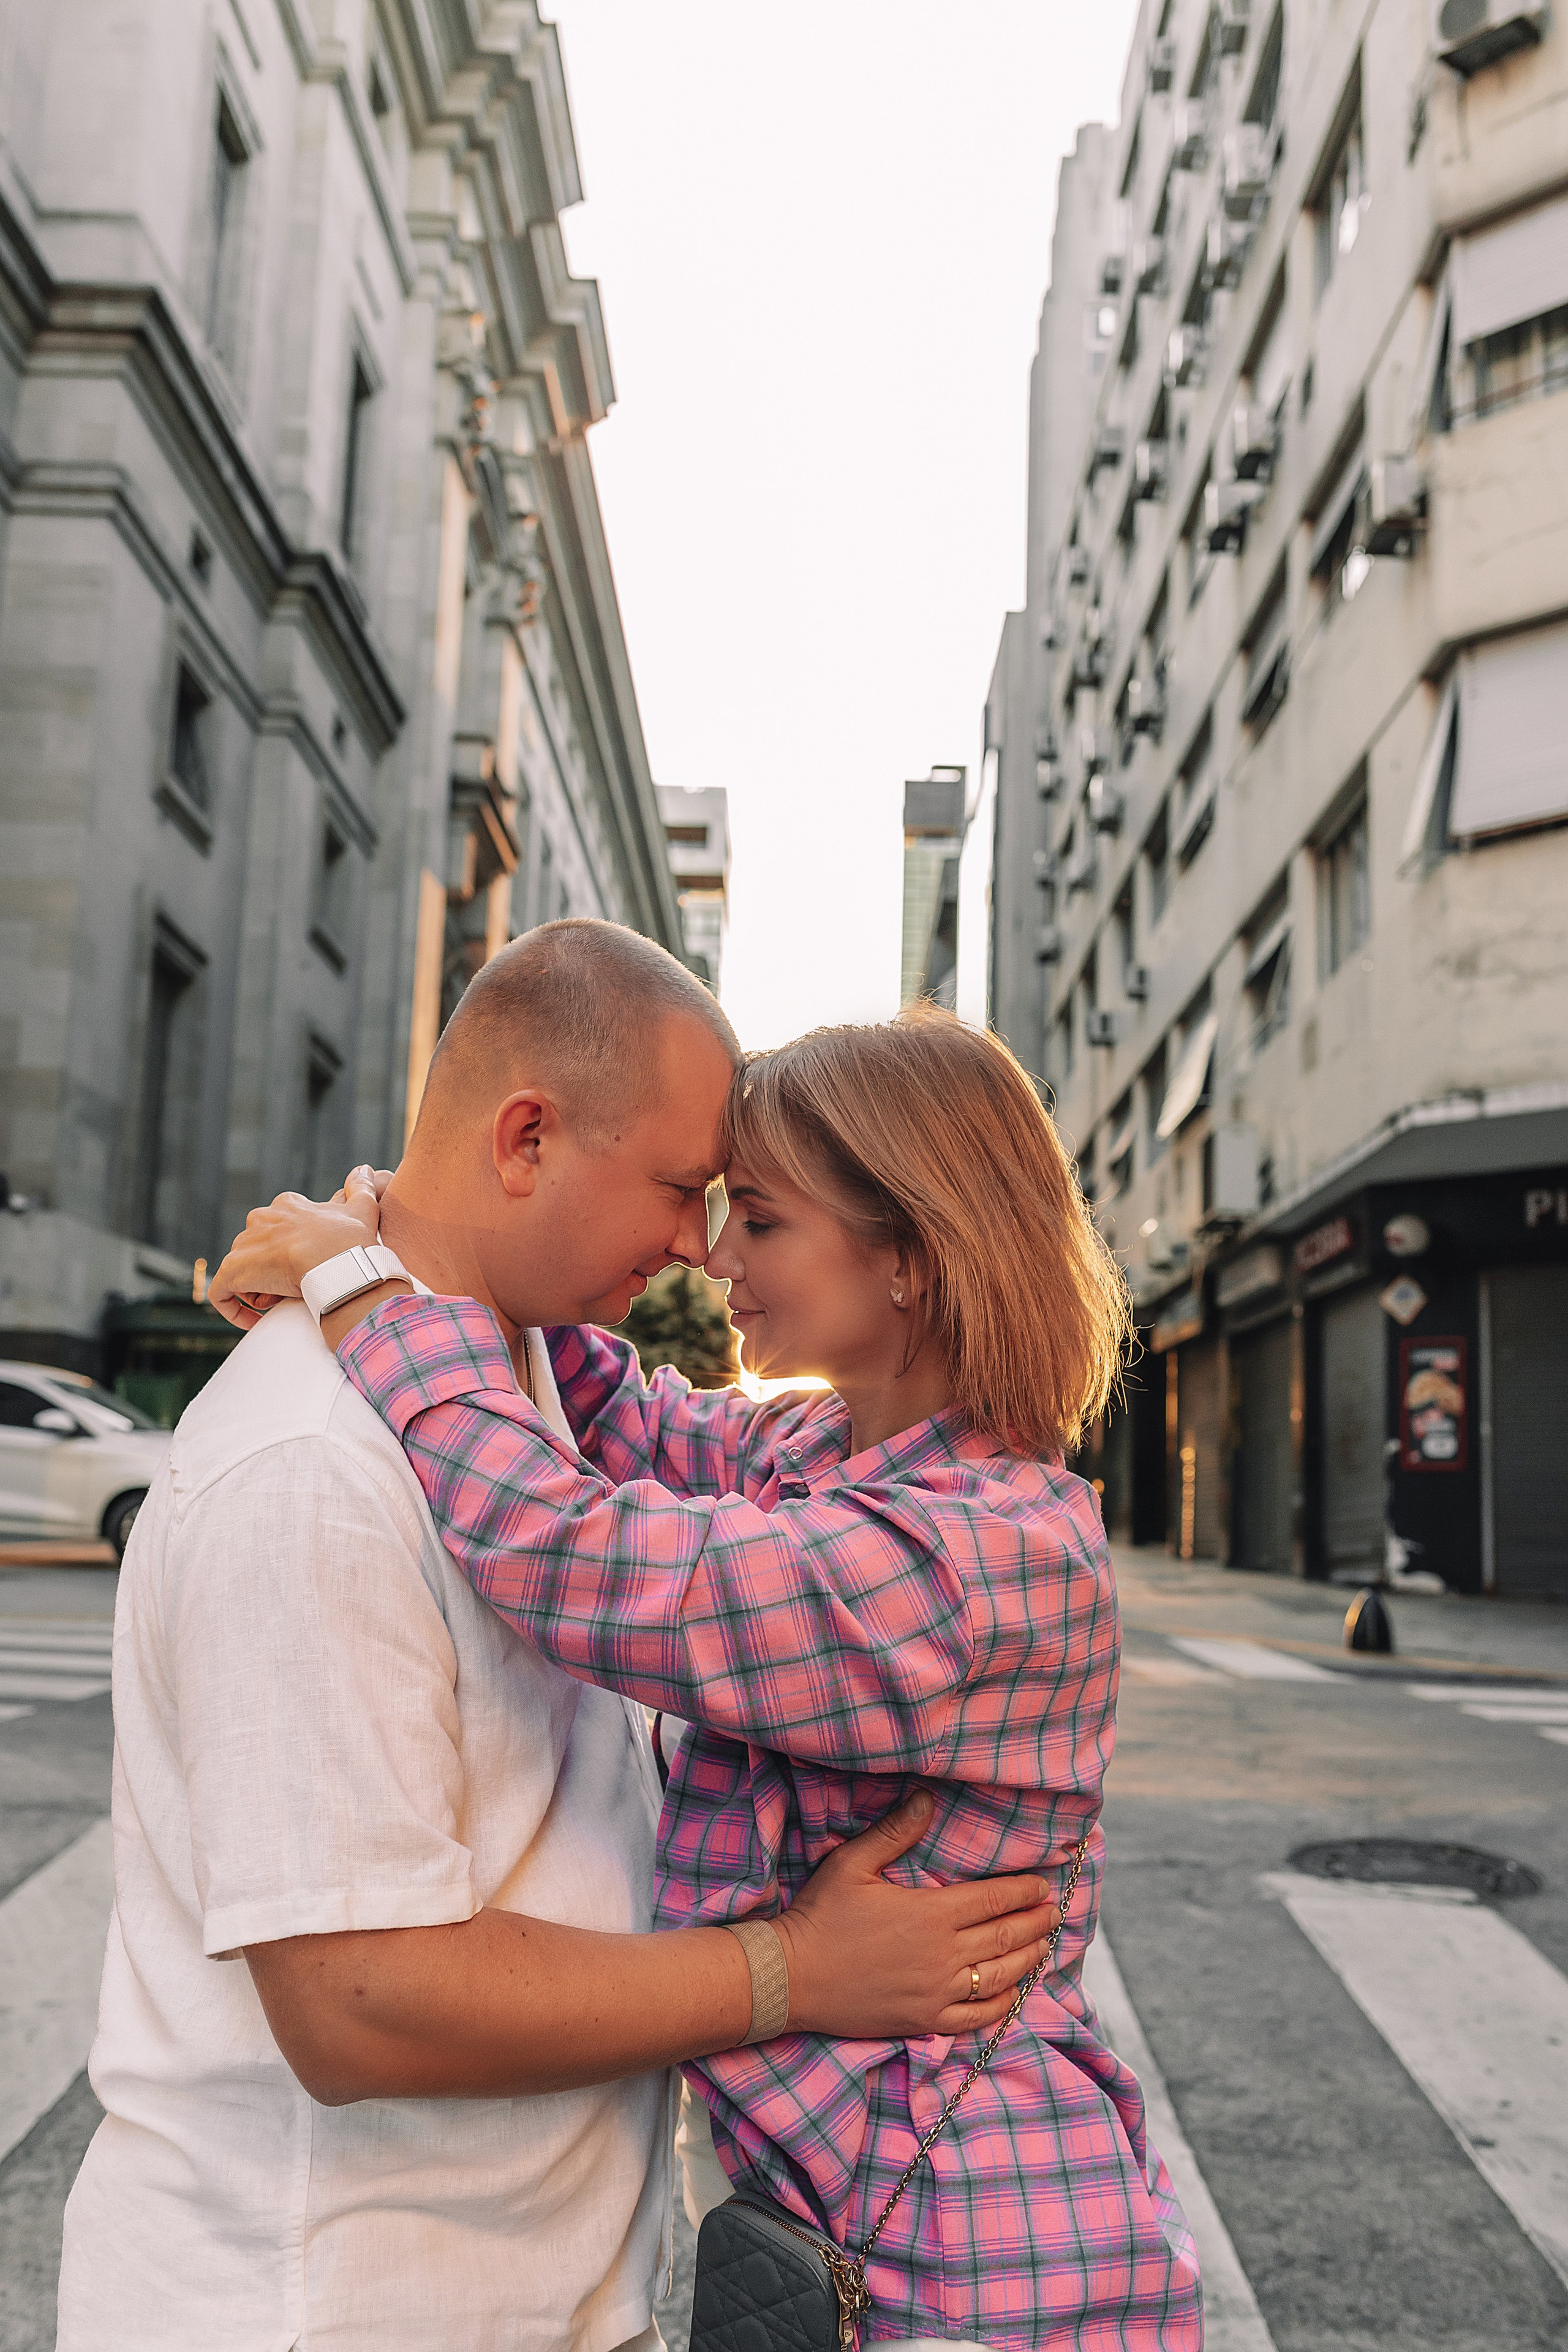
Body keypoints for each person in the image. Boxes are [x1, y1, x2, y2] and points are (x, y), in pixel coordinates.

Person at [60, 924, 1057, 2352]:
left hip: (528, 2295)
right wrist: (792, 1969)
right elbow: (359, 2003)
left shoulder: (517, 1384)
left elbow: (625, 1495)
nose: (698, 1247)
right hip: (337, 2308)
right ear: (525, 1137)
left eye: (741, 1211)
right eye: (682, 1188)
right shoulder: (319, 1466)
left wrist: (366, 1254)